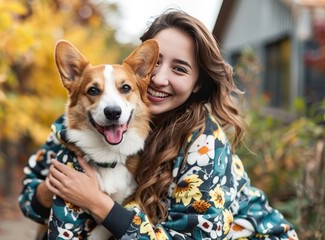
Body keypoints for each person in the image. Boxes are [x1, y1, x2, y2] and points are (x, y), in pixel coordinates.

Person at [18, 9, 299, 239]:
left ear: (197, 82)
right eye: (155, 63)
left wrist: (97, 202)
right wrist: (52, 188)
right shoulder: (86, 122)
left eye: (179, 68)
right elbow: (29, 201)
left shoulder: (205, 145)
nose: (157, 78)